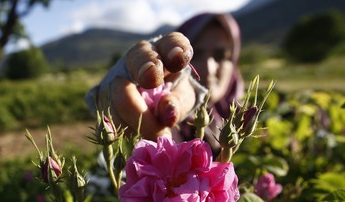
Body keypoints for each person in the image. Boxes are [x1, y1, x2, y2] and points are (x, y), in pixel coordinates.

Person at [85, 13, 244, 152]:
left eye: (221, 55)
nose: (210, 69)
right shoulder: (162, 122)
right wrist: (116, 84)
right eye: (196, 54)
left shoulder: (246, 117)